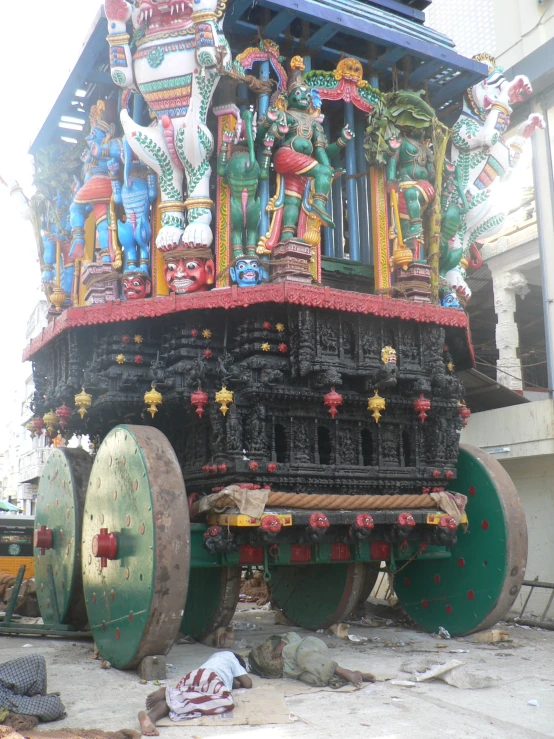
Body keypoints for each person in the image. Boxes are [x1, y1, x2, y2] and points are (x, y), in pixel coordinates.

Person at [138, 651, 252, 736]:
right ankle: (168, 691)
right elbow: (247, 683)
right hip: (211, 677)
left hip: (193, 676)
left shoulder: (216, 657)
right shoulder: (232, 658)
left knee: (177, 702)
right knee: (226, 701)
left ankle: (150, 718)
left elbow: (234, 682)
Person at [249, 633, 375, 689]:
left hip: (311, 647)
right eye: (271, 663)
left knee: (303, 657)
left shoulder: (287, 648)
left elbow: (293, 635)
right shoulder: (285, 671)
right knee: (314, 680)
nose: (275, 661)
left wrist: (282, 643)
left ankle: (346, 672)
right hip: (316, 664)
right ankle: (353, 674)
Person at [0, 654, 65, 722]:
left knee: (38, 660)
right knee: (54, 705)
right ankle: (31, 703)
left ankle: (37, 696)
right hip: (3, 699)